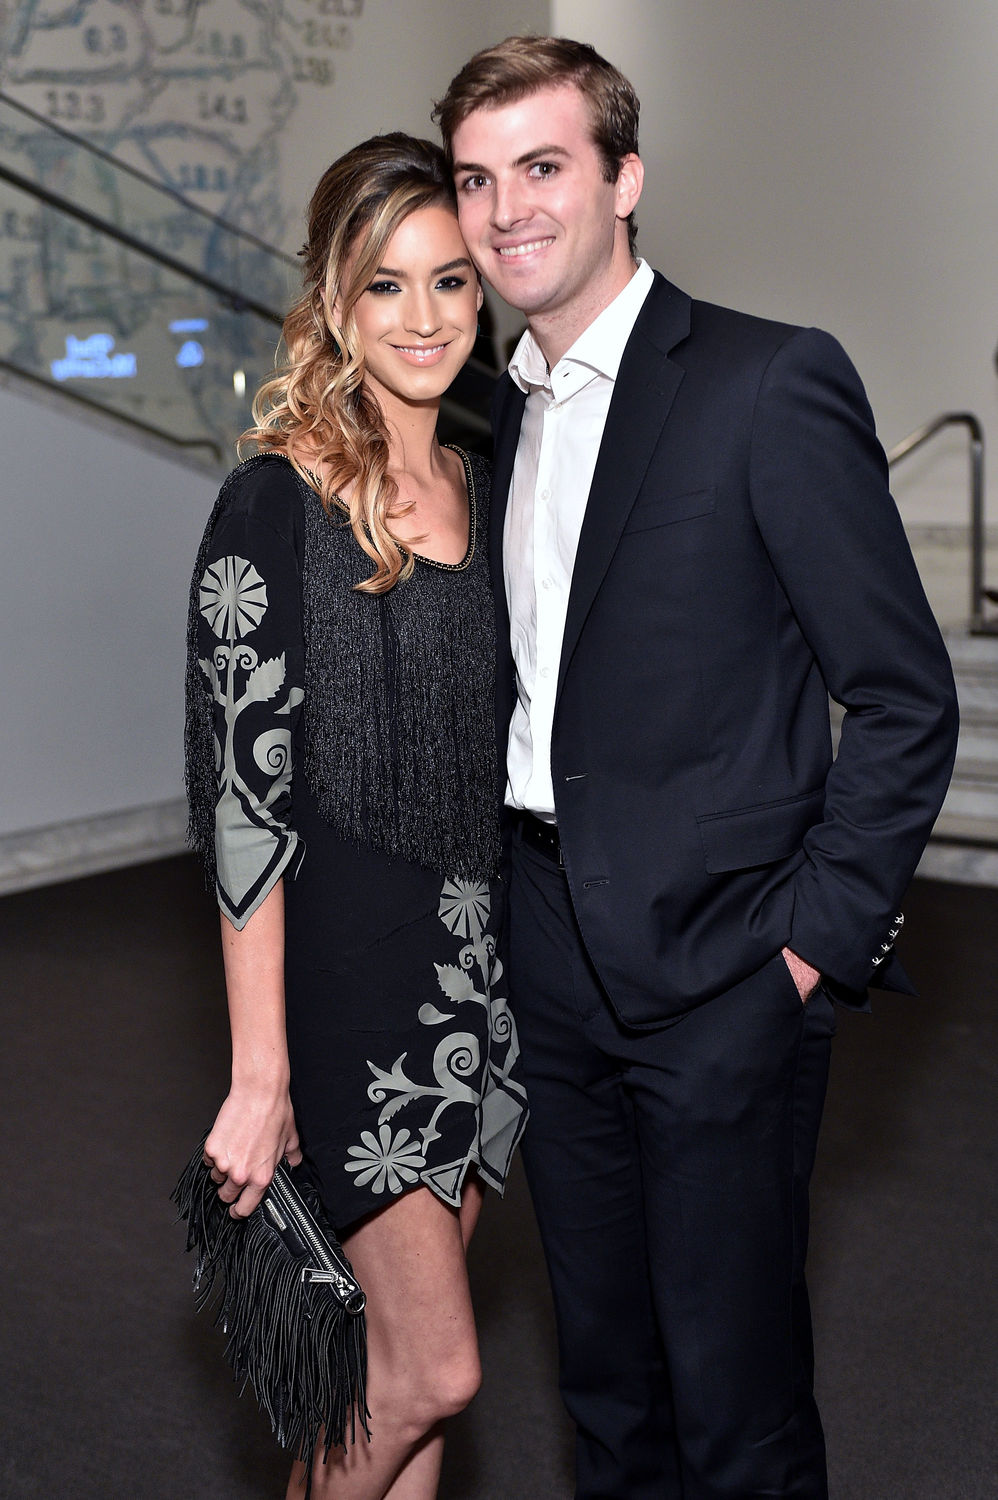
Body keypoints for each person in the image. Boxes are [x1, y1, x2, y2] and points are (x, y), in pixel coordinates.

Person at [434, 36, 959, 1500]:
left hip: (728, 967)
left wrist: (807, 949)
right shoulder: (489, 410)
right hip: (547, 952)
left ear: (624, 178)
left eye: (541, 167)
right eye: (476, 180)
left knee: (733, 1395)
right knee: (603, 1379)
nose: (504, 211)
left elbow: (903, 697)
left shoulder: (763, 382)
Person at [183, 132, 527, 1500]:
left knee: (404, 1393)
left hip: (485, 975)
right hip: (350, 986)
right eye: (387, 286)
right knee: (435, 1372)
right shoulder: (272, 504)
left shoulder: (493, 483)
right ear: (335, 300)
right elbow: (239, 806)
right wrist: (261, 1073)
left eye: (452, 282)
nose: (427, 319)